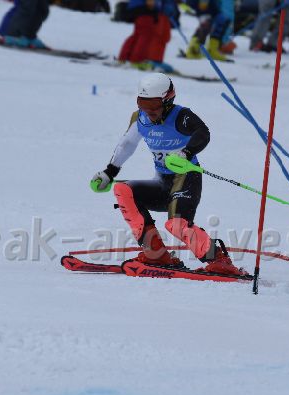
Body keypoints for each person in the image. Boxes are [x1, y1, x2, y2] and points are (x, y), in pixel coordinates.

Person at [90, 73, 246, 276]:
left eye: (153, 105)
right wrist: (109, 172)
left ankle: (219, 261)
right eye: (142, 103)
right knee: (123, 189)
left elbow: (203, 133)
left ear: (167, 101)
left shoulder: (181, 116)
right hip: (162, 182)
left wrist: (186, 153)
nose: (148, 111)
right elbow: (127, 143)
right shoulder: (140, 118)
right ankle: (156, 254)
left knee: (177, 225)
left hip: (186, 178)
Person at [118, 0, 176, 70]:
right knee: (146, 35)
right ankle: (138, 60)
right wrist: (151, 4)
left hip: (142, 8)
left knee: (140, 34)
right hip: (147, 9)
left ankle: (125, 57)